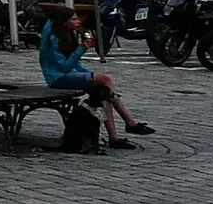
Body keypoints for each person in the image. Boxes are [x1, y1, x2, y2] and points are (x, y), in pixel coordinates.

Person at [41, 9, 154, 149]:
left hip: (68, 74)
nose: (78, 22)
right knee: (105, 79)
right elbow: (63, 67)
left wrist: (91, 74)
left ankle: (115, 137)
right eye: (74, 19)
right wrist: (81, 49)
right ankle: (130, 123)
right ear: (64, 22)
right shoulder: (53, 38)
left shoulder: (67, 34)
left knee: (103, 90)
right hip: (57, 78)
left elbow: (74, 65)